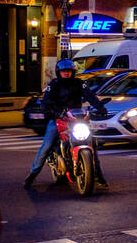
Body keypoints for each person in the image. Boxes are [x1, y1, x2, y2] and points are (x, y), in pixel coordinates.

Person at [24, 59, 110, 188]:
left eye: (69, 71)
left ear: (73, 72)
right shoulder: (53, 85)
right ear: (59, 72)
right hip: (59, 119)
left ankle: (98, 176)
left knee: (92, 143)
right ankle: (32, 175)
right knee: (46, 146)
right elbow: (46, 102)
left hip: (77, 118)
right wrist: (53, 111)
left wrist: (100, 107)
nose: (66, 73)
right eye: (64, 71)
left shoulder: (79, 84)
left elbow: (90, 96)